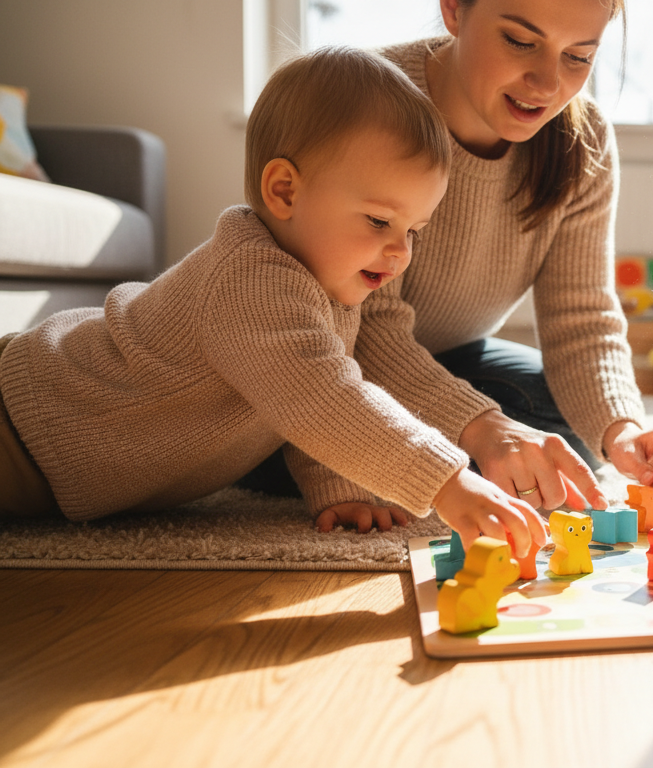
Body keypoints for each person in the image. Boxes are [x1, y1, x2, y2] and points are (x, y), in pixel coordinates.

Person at [0, 47, 547, 558]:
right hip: (23, 425)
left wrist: (336, 488)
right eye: (380, 220)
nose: (400, 251)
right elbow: (323, 398)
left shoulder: (332, 291)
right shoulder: (250, 278)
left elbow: (297, 409)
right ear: (284, 190)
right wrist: (449, 482)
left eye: (415, 229)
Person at [253, 0, 653, 524]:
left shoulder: (584, 143)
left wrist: (623, 431)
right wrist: (483, 427)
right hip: (324, 356)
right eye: (519, 42)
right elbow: (367, 325)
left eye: (579, 57)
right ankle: (369, 454)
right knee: (293, 429)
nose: (545, 82)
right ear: (452, 9)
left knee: (568, 433)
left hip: (452, 354)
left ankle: (430, 450)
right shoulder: (369, 107)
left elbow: (580, 317)